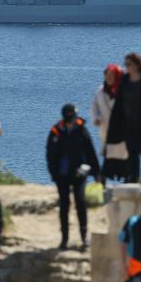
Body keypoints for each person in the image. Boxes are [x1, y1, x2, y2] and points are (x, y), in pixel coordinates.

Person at [46, 104, 100, 251]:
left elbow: (90, 152)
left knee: (81, 203)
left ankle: (84, 237)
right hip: (62, 175)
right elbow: (50, 156)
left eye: (73, 118)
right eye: (69, 119)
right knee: (64, 205)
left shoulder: (82, 131)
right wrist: (54, 175)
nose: (72, 122)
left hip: (79, 173)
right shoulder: (55, 132)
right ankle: (64, 239)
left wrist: (96, 173)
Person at [106, 53, 141, 182]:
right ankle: (133, 182)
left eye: (129, 64)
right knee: (131, 158)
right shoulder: (125, 80)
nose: (126, 67)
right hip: (129, 127)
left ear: (137, 65)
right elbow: (119, 102)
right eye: (125, 64)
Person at [91, 64, 124, 156]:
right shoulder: (100, 90)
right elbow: (94, 106)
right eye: (106, 75)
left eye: (111, 75)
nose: (108, 78)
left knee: (123, 162)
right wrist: (96, 118)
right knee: (109, 160)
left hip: (122, 134)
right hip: (105, 131)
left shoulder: (124, 91)